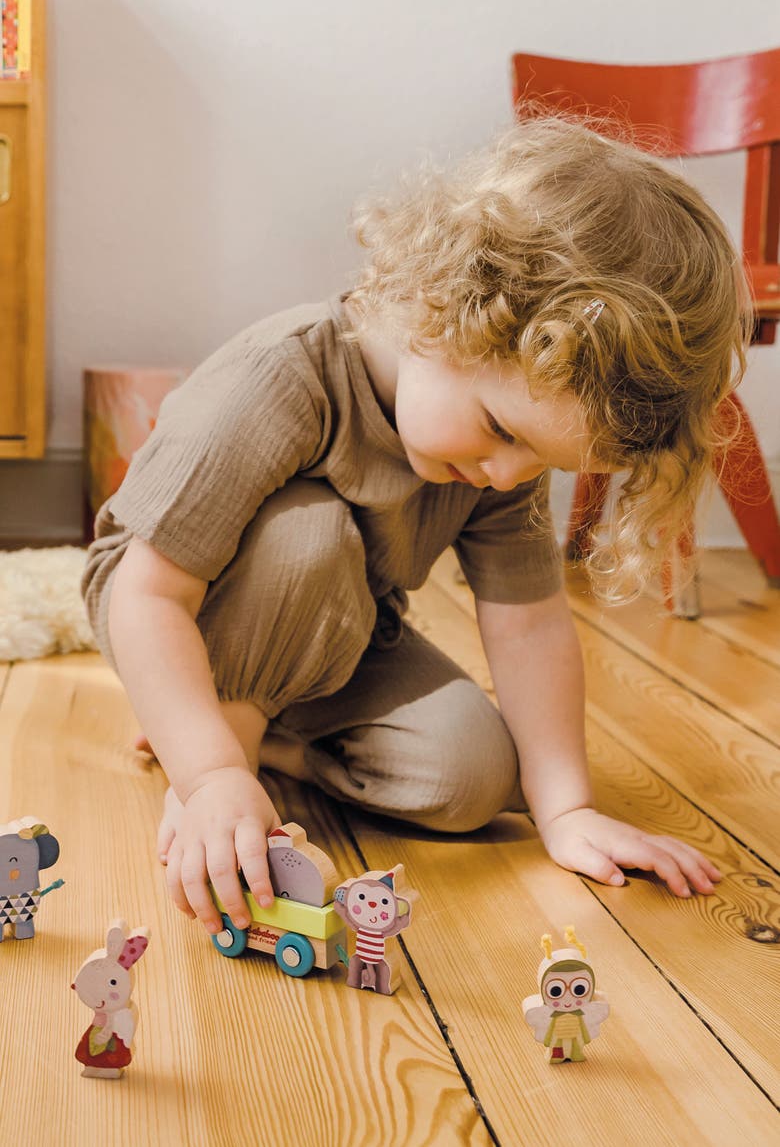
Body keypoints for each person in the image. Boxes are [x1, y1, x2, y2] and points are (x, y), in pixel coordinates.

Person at [82, 115, 751, 938]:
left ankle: (267, 740)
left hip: (345, 632)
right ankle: (218, 746)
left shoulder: (498, 455)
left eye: (542, 460)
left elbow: (532, 625)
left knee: (473, 776)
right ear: (444, 313)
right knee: (310, 538)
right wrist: (214, 775)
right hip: (168, 606)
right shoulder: (285, 374)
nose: (508, 476)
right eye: (504, 432)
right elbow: (147, 595)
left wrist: (566, 811)